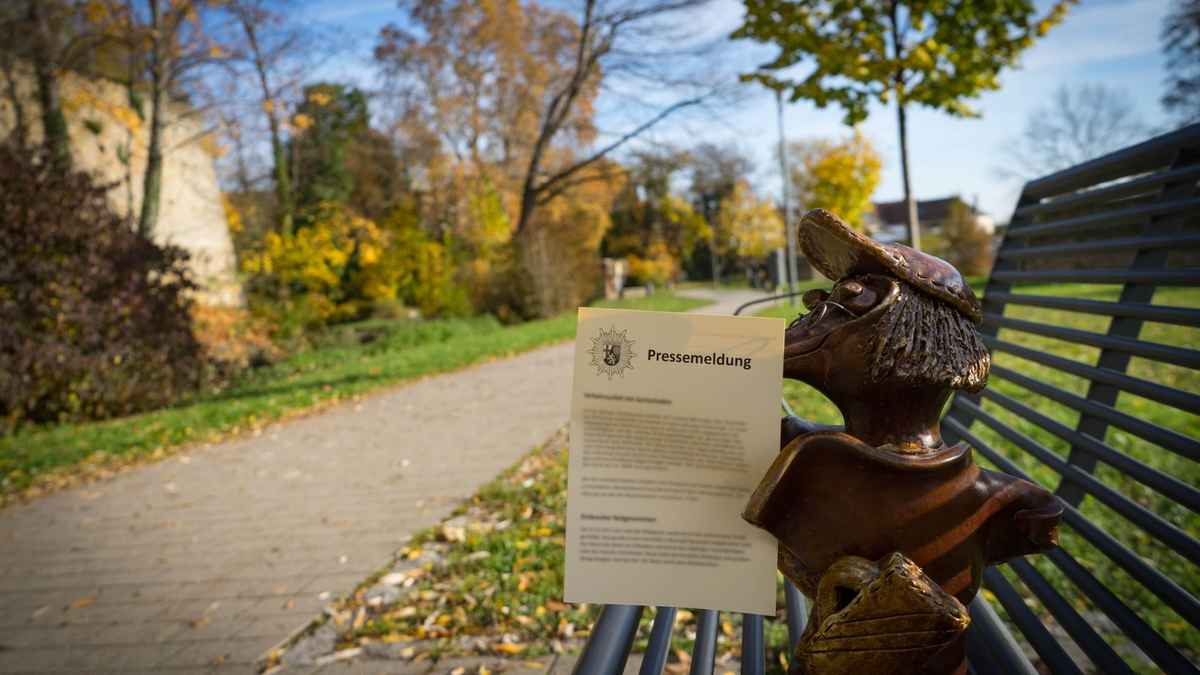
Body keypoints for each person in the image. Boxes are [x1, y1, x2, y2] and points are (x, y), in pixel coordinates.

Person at [744, 209, 1062, 675]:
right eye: (824, 304)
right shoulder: (807, 452)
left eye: (854, 301)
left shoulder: (975, 499)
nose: (814, 321)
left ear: (909, 335)